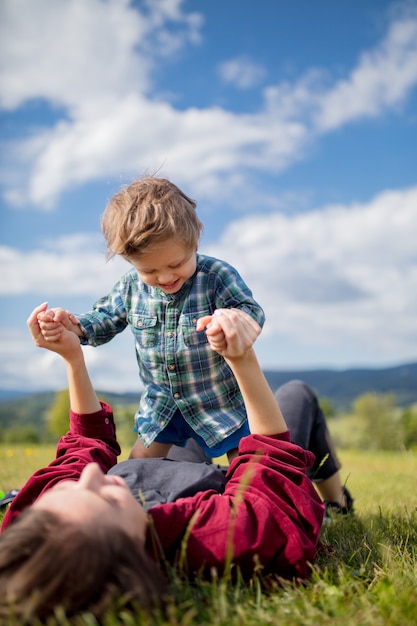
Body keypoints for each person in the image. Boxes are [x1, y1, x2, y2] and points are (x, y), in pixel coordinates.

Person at [0, 302, 327, 622]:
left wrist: (73, 359)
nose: (89, 476)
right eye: (108, 500)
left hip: (168, 465)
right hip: (219, 480)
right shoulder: (214, 535)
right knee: (297, 394)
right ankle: (337, 499)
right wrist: (242, 361)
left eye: (67, 490)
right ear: (136, 554)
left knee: (186, 414)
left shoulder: (45, 530)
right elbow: (270, 466)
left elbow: (85, 446)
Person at [39, 176, 265, 462]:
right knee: (134, 472)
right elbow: (105, 319)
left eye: (176, 264)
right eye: (150, 271)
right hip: (162, 409)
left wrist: (232, 321)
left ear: (195, 238)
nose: (166, 277)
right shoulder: (131, 287)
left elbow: (250, 310)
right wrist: (74, 325)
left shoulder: (216, 276)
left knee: (248, 469)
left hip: (218, 404)